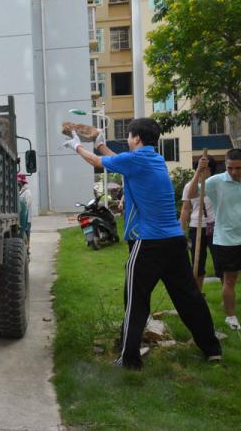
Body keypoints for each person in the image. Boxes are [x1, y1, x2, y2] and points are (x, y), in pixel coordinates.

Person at [62, 118, 221, 369]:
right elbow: (120, 162)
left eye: (129, 135)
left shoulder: (135, 160)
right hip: (175, 242)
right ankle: (212, 349)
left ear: (136, 138)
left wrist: (77, 147)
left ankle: (129, 359)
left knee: (135, 302)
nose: (127, 139)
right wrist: (100, 145)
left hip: (148, 242)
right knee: (189, 297)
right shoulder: (153, 158)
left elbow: (97, 162)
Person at [189, 148, 241, 330]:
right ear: (225, 166)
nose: (234, 172)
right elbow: (192, 193)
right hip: (227, 239)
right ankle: (231, 316)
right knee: (229, 279)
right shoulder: (217, 182)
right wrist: (198, 172)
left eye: (238, 168)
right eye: (230, 168)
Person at [180, 156, 220, 291]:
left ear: (212, 170)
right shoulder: (189, 186)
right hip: (196, 227)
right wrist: (180, 229)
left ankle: (226, 292)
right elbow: (186, 209)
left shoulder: (216, 184)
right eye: (200, 168)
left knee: (219, 260)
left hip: (215, 226)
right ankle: (197, 294)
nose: (204, 171)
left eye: (206, 169)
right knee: (197, 262)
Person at [17, 173, 32, 243]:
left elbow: (27, 205)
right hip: (20, 216)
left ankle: (27, 248)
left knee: (26, 233)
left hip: (26, 218)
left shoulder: (27, 192)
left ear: (22, 182)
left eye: (19, 182)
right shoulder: (18, 191)